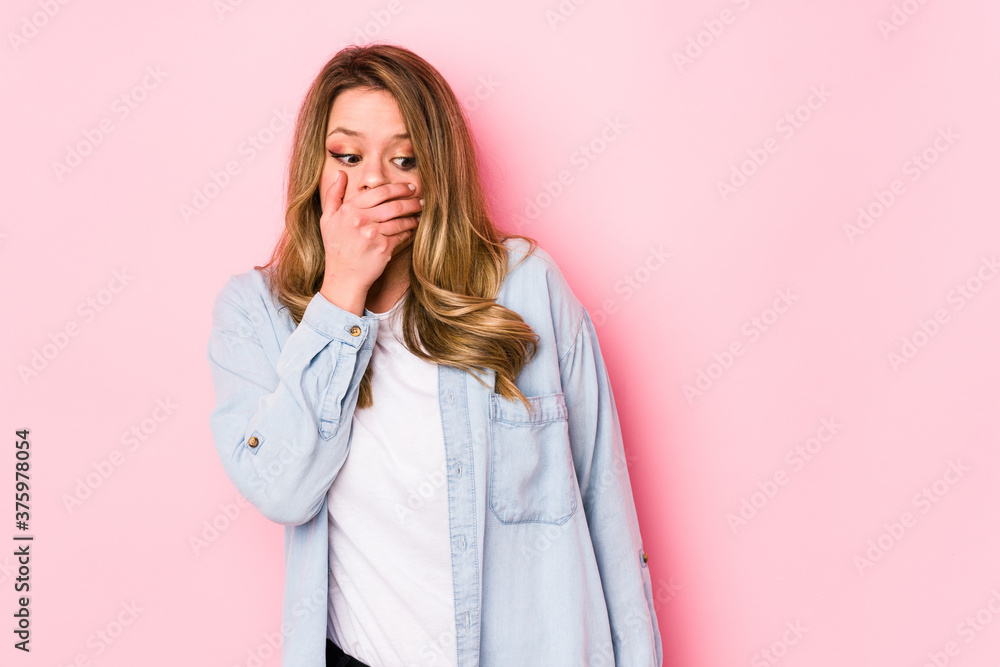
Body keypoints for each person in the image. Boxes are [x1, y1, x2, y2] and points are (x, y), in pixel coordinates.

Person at [206, 43, 662, 667]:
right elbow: (281, 491)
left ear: (437, 172)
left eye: (405, 159)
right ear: (315, 166)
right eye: (347, 155)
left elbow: (606, 506)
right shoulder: (256, 313)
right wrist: (341, 298)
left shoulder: (526, 286)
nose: (374, 181)